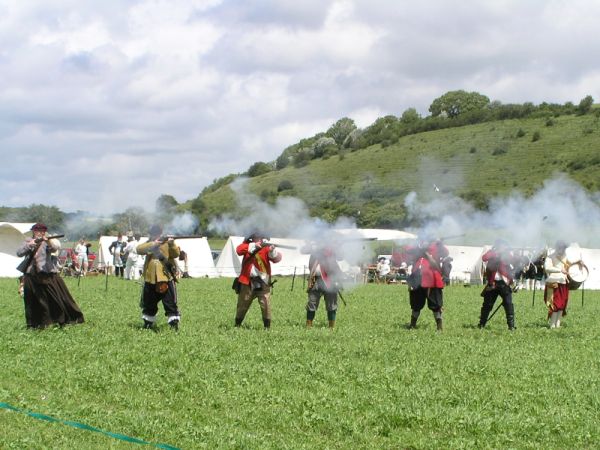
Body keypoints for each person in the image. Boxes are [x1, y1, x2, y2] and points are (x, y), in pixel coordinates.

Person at [16, 223, 84, 329]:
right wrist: (31, 244)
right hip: (31, 274)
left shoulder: (47, 241)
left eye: (43, 231)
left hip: (47, 274)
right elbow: (19, 253)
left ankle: (63, 319)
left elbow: (55, 248)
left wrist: (47, 241)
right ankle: (35, 324)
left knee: (57, 297)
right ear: (34, 231)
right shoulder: (28, 240)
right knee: (32, 301)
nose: (41, 233)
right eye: (39, 231)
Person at [136, 225, 181, 330]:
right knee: (149, 303)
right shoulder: (149, 243)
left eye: (157, 233)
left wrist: (172, 243)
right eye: (154, 233)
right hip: (150, 277)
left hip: (165, 277)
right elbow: (138, 249)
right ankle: (148, 323)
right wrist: (154, 243)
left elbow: (176, 254)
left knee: (170, 303)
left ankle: (174, 325)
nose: (156, 235)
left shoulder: (167, 243)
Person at [234, 233, 282, 329]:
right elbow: (238, 250)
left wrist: (272, 251)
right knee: (242, 305)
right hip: (247, 281)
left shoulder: (266, 247)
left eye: (259, 237)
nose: (258, 238)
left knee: (266, 305)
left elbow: (277, 259)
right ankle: (237, 325)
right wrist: (253, 246)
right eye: (256, 237)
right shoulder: (248, 246)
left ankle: (267, 327)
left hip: (263, 281)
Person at [406, 237, 449, 331]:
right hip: (417, 278)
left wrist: (439, 243)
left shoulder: (436, 246)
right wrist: (420, 247)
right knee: (416, 304)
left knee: (436, 305)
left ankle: (439, 327)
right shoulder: (418, 246)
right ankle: (412, 325)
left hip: (433, 280)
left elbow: (446, 252)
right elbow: (408, 250)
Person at [302, 241, 344, 328]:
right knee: (311, 303)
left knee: (331, 304)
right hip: (315, 280)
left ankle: (331, 327)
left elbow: (341, 257)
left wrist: (338, 246)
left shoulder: (332, 249)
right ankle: (308, 325)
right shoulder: (314, 250)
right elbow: (303, 250)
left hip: (330, 280)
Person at [478, 239, 517, 330]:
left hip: (504, 283)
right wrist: (496, 253)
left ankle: (511, 326)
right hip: (493, 283)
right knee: (487, 305)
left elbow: (514, 261)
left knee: (508, 304)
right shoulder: (492, 252)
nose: (503, 247)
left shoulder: (507, 254)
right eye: (502, 246)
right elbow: (484, 258)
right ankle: (482, 324)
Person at [543, 241, 570, 329]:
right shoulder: (550, 257)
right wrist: (559, 270)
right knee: (555, 305)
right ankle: (552, 325)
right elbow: (547, 268)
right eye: (561, 248)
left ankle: (557, 325)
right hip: (554, 282)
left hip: (563, 282)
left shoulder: (565, 257)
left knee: (562, 305)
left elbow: (569, 266)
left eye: (563, 248)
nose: (562, 250)